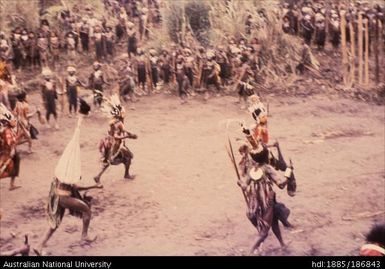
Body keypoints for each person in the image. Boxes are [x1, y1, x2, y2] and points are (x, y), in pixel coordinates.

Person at [35, 102, 102, 256]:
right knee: (86, 210)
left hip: (59, 197)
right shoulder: (68, 171)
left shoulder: (62, 168)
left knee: (55, 224)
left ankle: (39, 245)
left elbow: (76, 134)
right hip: (64, 198)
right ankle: (84, 236)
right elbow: (75, 188)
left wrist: (80, 118)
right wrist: (94, 187)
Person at [95, 94, 137, 182]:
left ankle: (98, 176)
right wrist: (129, 136)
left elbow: (120, 132)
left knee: (109, 161)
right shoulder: (118, 123)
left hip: (110, 144)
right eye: (122, 111)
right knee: (128, 157)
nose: (124, 112)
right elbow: (117, 136)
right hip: (115, 145)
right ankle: (126, 175)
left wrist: (130, 135)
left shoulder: (114, 121)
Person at [0, 103, 21, 190]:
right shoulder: (7, 131)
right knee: (3, 168)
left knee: (15, 163)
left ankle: (12, 184)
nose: (14, 122)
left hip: (8, 151)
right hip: (8, 152)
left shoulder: (6, 129)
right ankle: (12, 184)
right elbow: (10, 142)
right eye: (13, 121)